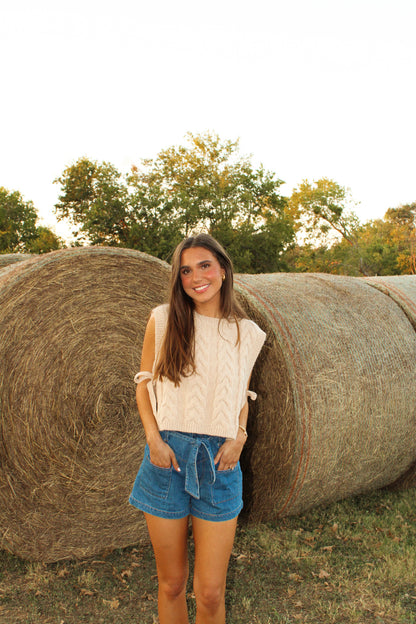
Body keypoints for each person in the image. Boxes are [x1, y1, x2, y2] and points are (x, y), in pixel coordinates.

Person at [129, 233, 266, 624]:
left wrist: (239, 437)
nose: (195, 277)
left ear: (223, 270)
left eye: (204, 265)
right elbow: (143, 384)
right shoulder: (163, 319)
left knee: (209, 592)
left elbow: (241, 394)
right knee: (171, 584)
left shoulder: (248, 333)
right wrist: (154, 440)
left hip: (220, 464)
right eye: (185, 270)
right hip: (165, 458)